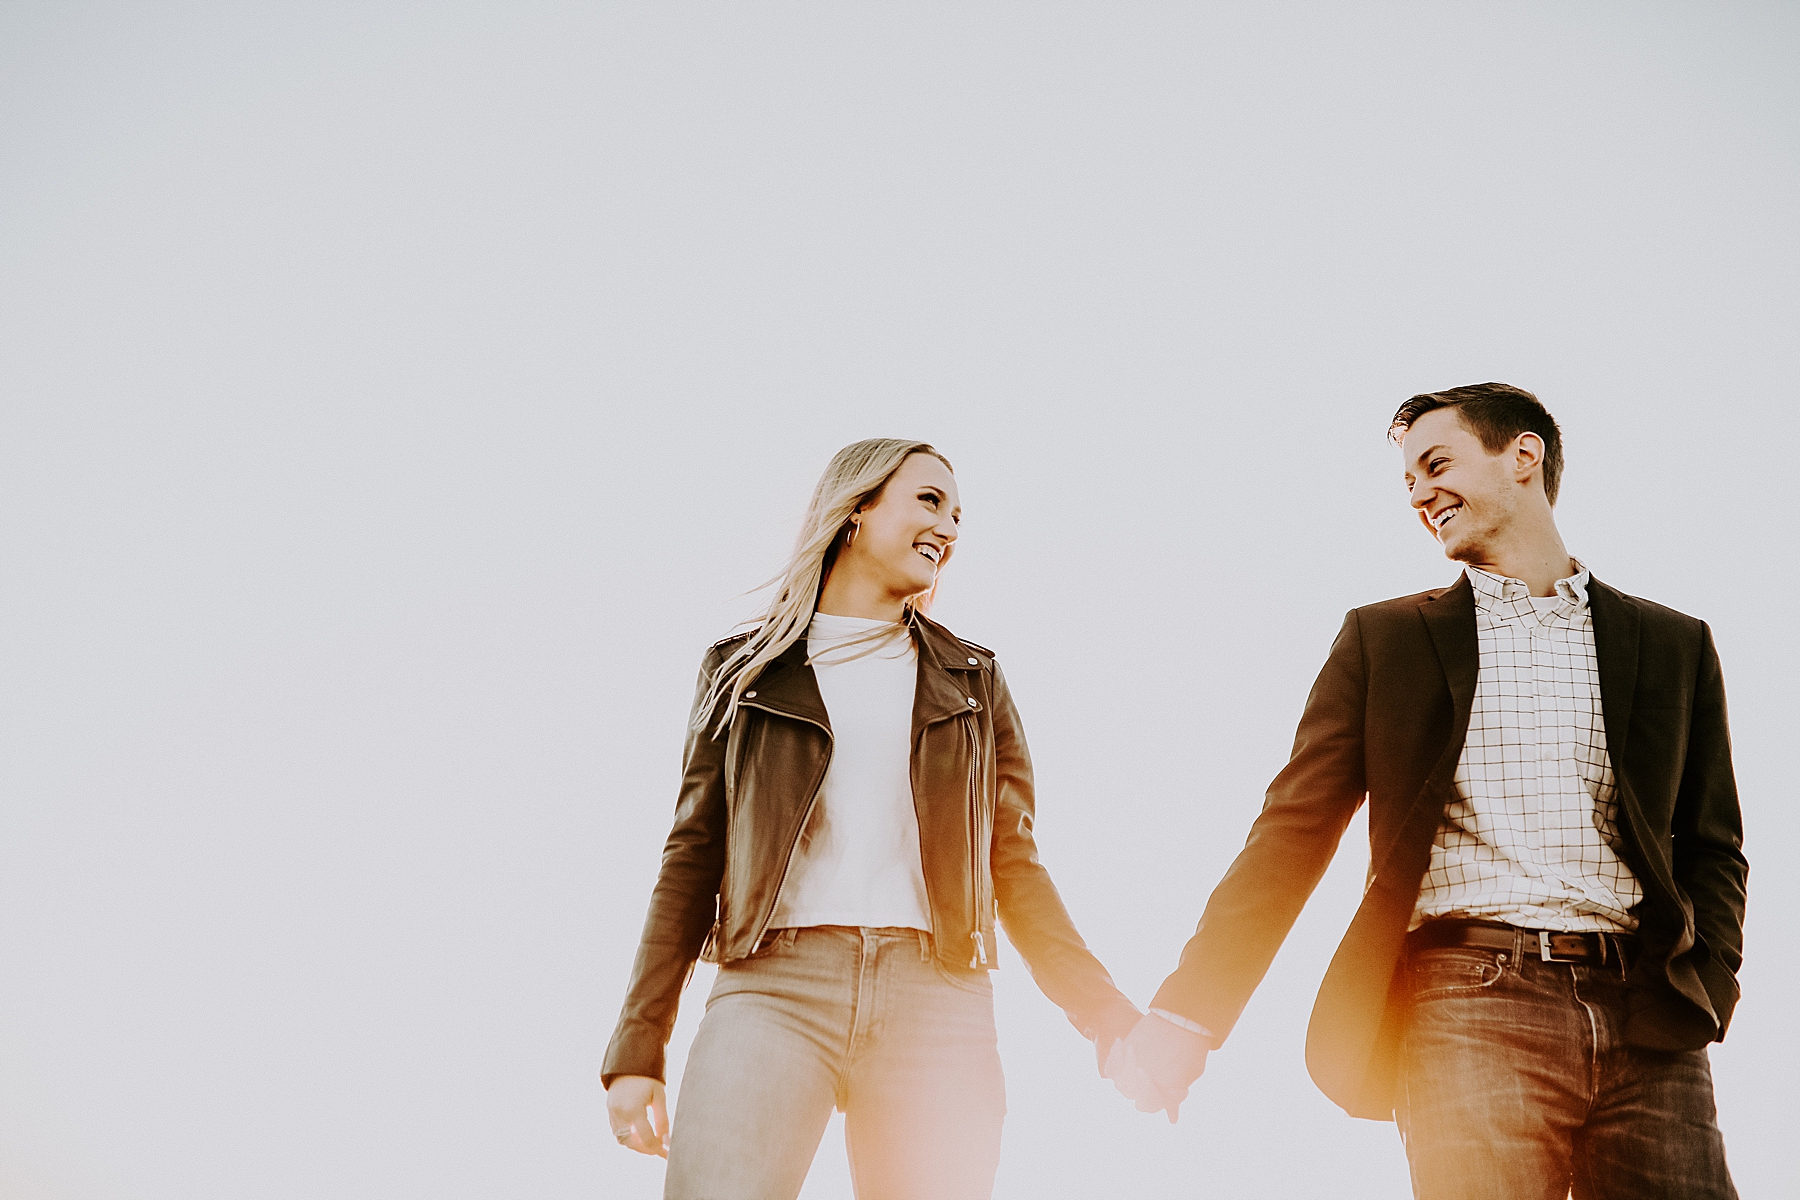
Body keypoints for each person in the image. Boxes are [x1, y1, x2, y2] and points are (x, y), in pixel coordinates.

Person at [1109, 385, 1746, 1199]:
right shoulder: (1387, 640)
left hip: (1648, 1017)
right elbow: (1291, 833)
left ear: (1524, 456)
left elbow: (1712, 848)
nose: (1418, 494)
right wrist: (1186, 1016)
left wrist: (1706, 987)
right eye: (1407, 481)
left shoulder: (1671, 643)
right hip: (1469, 1005)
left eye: (1436, 464)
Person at [604, 438, 1142, 1200]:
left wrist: (1107, 1014)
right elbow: (692, 855)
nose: (949, 527)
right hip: (773, 990)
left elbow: (1013, 864)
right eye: (928, 500)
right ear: (856, 509)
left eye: (958, 514)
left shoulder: (973, 681)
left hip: (938, 1000)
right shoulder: (743, 671)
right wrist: (638, 1043)